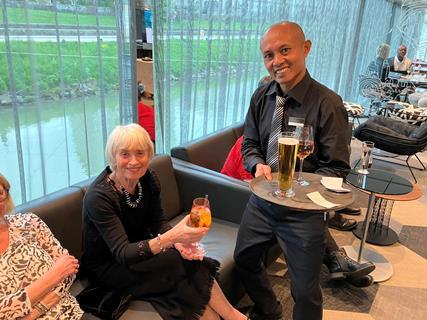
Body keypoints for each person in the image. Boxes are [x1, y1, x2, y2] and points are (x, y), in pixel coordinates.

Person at [233, 21, 353, 320]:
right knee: (244, 260)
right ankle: (269, 310)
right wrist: (255, 164)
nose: (277, 61)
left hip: (303, 211)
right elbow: (249, 143)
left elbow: (337, 168)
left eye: (284, 50)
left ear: (306, 48)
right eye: (268, 55)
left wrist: (298, 189)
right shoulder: (262, 97)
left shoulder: (328, 103)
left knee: (304, 290)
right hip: (262, 201)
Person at [81, 123, 247, 320]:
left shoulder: (147, 179)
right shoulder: (99, 196)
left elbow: (158, 222)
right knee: (176, 262)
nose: (134, 161)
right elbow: (123, 253)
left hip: (140, 251)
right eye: (124, 154)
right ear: (113, 157)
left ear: (149, 154)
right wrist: (173, 237)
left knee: (187, 257)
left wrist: (179, 242)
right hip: (109, 266)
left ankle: (230, 317)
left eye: (140, 153)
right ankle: (234, 317)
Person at [221, 137, 374, 287]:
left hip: (263, 195)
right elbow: (251, 180)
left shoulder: (274, 147)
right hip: (236, 195)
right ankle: (337, 258)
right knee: (299, 211)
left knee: (301, 205)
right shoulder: (250, 147)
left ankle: (338, 260)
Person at [0, 173, 83, 319]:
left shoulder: (29, 222)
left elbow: (69, 268)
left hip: (70, 313)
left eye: (0, 193)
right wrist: (56, 273)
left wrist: (34, 313)